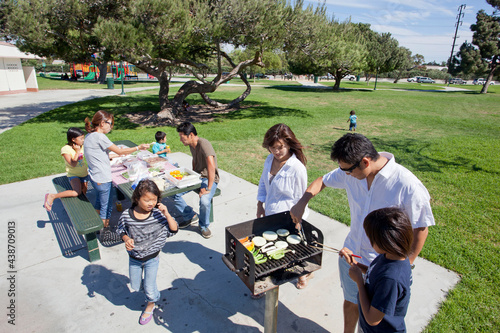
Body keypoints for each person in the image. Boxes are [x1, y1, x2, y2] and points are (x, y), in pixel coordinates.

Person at [290, 133, 434, 333]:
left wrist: (405, 264)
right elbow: (322, 180)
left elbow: (421, 228)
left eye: (347, 170)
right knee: (351, 301)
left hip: (382, 266)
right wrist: (302, 201)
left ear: (365, 161)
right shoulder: (351, 170)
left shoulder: (407, 185)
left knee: (374, 320)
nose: (344, 174)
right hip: (352, 255)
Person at [256, 123, 312, 291]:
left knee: (291, 250)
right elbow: (263, 183)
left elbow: (301, 198)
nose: (276, 152)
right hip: (271, 214)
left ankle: (302, 273)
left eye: (280, 147)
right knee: (273, 250)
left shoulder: (297, 168)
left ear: (289, 144)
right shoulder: (269, 159)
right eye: (272, 148)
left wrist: (297, 221)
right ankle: (266, 282)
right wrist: (260, 204)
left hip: (289, 217)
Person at [116, 179, 178, 325]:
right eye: (146, 200)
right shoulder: (127, 215)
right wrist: (126, 239)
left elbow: (174, 229)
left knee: (149, 288)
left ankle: (151, 303)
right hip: (134, 258)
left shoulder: (158, 215)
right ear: (137, 198)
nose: (151, 203)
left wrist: (167, 214)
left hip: (152, 259)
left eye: (154, 200)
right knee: (135, 286)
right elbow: (120, 230)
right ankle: (152, 292)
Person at [347, 207, 413, 333]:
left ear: (385, 242)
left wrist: (359, 282)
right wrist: (356, 265)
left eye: (372, 238)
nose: (370, 241)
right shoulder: (392, 256)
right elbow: (377, 275)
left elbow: (372, 319)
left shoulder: (391, 279)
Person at [84, 110, 150, 228]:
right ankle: (104, 230)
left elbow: (100, 154)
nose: (111, 127)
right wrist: (138, 147)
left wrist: (117, 155)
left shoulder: (89, 136)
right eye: (110, 123)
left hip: (94, 177)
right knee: (107, 208)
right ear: (102, 123)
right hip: (103, 178)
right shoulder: (100, 137)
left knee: (99, 202)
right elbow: (119, 150)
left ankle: (96, 224)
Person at [174, 122, 219, 239]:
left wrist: (208, 188)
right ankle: (190, 216)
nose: (180, 139)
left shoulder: (204, 144)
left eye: (181, 137)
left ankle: (203, 226)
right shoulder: (191, 144)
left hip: (209, 178)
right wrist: (192, 174)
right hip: (197, 176)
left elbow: (211, 165)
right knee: (174, 193)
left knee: (204, 200)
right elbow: (194, 159)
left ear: (191, 135)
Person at [43, 127, 89, 211]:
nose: (83, 140)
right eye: (81, 138)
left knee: (84, 193)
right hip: (74, 174)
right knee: (76, 192)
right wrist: (77, 151)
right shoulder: (65, 149)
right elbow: (73, 164)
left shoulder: (81, 146)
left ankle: (82, 209)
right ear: (73, 139)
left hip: (84, 173)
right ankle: (52, 196)